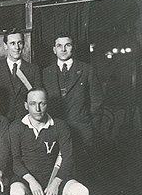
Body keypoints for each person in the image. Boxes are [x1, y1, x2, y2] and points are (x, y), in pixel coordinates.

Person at [40, 33, 103, 175]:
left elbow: (97, 101)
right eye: (59, 46)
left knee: (82, 173)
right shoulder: (46, 72)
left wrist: (91, 126)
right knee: (55, 174)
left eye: (67, 45)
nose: (63, 49)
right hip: (54, 131)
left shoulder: (87, 70)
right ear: (54, 49)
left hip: (81, 131)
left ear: (73, 48)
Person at [0, 29, 40, 122]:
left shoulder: (33, 69)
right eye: (12, 43)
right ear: (5, 45)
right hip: (2, 121)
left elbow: (38, 97)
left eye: (19, 43)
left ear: (23, 45)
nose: (17, 47)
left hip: (26, 121)